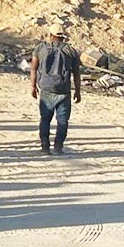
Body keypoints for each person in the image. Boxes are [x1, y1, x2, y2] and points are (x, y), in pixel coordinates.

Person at [30, 23, 81, 156]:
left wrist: (33, 86)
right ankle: (58, 147)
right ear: (63, 36)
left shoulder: (40, 48)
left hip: (46, 89)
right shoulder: (70, 50)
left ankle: (45, 147)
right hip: (63, 91)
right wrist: (78, 90)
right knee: (62, 121)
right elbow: (76, 72)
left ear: (50, 35)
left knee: (45, 120)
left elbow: (33, 68)